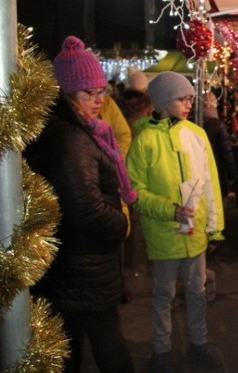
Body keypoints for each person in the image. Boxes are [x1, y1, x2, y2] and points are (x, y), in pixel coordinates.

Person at [24, 35, 135, 373]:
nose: (99, 99)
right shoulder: (74, 138)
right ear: (68, 93)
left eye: (102, 91)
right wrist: (121, 224)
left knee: (71, 341)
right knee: (106, 341)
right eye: (90, 93)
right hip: (84, 264)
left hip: (72, 262)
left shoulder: (77, 129)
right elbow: (85, 207)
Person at [126, 71, 226, 372]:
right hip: (165, 234)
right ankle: (161, 351)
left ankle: (199, 344)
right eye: (181, 99)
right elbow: (134, 192)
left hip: (195, 234)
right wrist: (169, 209)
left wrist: (215, 225)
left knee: (197, 292)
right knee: (163, 295)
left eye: (189, 99)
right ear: (163, 101)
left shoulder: (197, 135)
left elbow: (210, 182)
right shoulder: (144, 142)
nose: (187, 104)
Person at [203, 91, 238, 202]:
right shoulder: (217, 124)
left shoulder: (192, 121)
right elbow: (227, 153)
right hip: (216, 168)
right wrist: (232, 175)